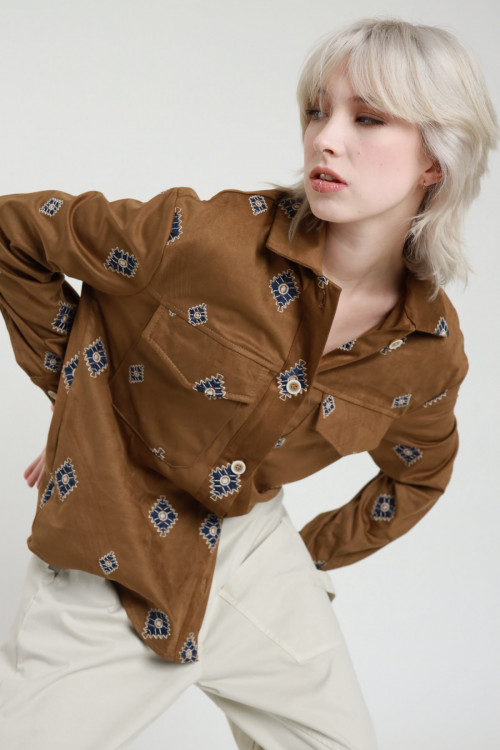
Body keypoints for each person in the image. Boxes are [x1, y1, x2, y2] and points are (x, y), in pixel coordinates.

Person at [0, 16, 497, 750]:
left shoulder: (428, 351)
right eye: (318, 112)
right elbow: (14, 233)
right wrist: (80, 401)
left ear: (436, 160)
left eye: (367, 119)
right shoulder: (203, 237)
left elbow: (419, 476)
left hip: (257, 557)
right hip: (114, 558)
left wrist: (307, 558)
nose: (326, 139)